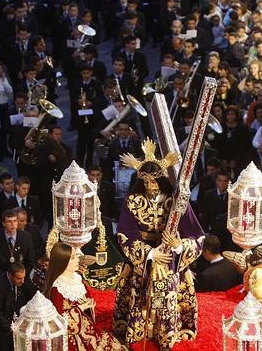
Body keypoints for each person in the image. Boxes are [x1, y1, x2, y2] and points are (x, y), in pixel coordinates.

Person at [112, 139, 204, 349]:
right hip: (144, 260)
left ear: (161, 180)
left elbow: (197, 235)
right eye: (145, 183)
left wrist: (179, 245)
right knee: (141, 296)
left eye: (154, 182)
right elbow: (125, 234)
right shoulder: (132, 201)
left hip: (171, 260)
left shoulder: (177, 203)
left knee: (168, 297)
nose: (150, 187)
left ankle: (168, 331)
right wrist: (150, 254)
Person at [44, 243, 126, 350]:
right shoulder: (57, 289)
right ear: (63, 262)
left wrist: (87, 305)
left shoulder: (76, 279)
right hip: (74, 337)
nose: (78, 260)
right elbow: (60, 321)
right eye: (73, 258)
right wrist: (81, 308)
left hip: (88, 327)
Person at [0, 262, 30, 351]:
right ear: (10, 275)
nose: (22, 281)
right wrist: (11, 327)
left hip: (7, 328)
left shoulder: (16, 283)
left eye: (23, 277)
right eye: (19, 278)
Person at [0, 209, 35, 280]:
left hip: (22, 278)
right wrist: (7, 278)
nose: (13, 224)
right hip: (1, 278)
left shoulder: (26, 236)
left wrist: (21, 277)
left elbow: (30, 260)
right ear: (3, 223)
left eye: (15, 221)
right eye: (9, 221)